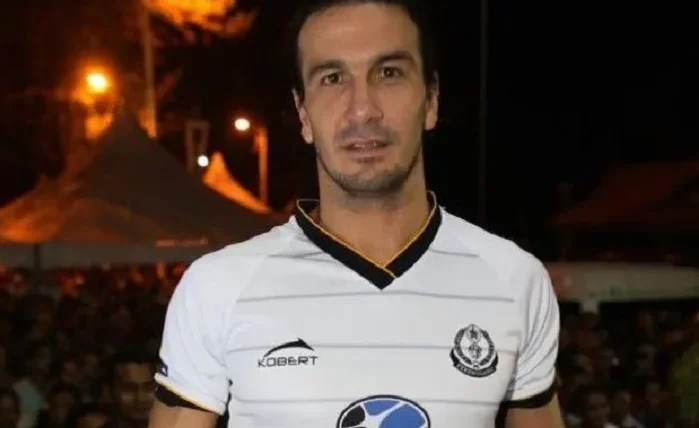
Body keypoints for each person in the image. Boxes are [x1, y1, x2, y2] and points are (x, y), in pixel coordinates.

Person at [148, 0, 563, 427]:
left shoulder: (514, 280)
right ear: (303, 114)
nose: (362, 109)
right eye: (332, 78)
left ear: (431, 100)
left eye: (389, 73)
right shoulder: (217, 288)